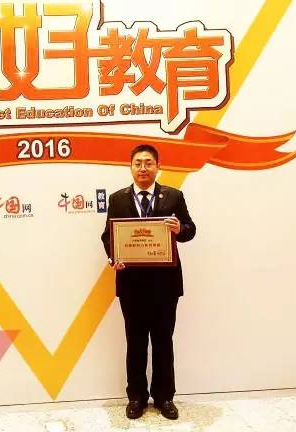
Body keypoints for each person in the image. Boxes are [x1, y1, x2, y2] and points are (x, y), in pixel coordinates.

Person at [101, 144, 196, 420]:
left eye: (148, 163)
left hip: (166, 285)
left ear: (157, 166)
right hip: (131, 284)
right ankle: (136, 397)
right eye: (138, 163)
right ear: (131, 167)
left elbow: (190, 229)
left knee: (164, 341)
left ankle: (165, 397)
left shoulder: (174, 196)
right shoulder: (118, 199)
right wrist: (114, 258)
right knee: (135, 341)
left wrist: (179, 229)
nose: (143, 168)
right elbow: (108, 236)